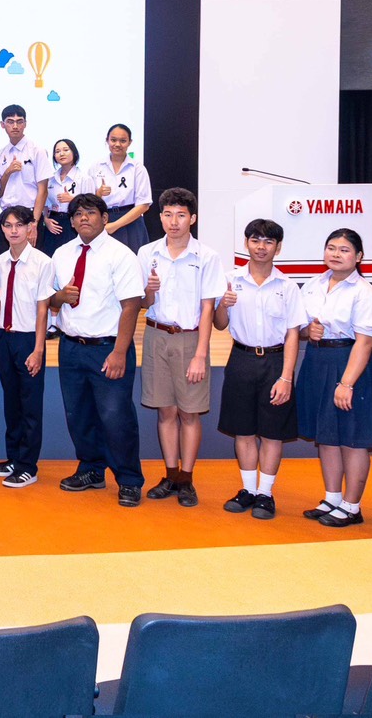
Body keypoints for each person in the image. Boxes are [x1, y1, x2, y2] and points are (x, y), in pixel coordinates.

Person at [47, 193, 147, 506]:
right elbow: (50, 299)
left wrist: (119, 352)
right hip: (70, 346)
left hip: (108, 348)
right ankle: (92, 469)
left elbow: (131, 305)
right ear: (71, 221)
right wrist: (59, 297)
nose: (83, 218)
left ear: (104, 218)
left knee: (116, 417)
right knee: (79, 414)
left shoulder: (121, 255)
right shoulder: (62, 254)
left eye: (90, 213)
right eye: (77, 214)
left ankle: (129, 479)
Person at [136, 188, 224, 508]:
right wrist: (149, 291)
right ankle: (171, 475)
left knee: (189, 412)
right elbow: (144, 303)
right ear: (160, 217)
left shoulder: (207, 257)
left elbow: (208, 309)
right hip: (156, 335)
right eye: (168, 214)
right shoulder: (147, 253)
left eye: (181, 215)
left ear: (192, 218)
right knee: (165, 411)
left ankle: (186, 478)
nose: (174, 222)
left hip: (190, 339)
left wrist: (200, 354)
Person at [294, 228, 372, 528]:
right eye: (331, 248)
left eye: (344, 250)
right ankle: (332, 498)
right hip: (317, 362)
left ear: (359, 257)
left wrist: (347, 383)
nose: (336, 254)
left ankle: (352, 505)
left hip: (350, 364)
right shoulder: (313, 284)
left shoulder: (365, 293)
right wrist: (309, 331)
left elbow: (365, 342)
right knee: (327, 436)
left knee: (352, 439)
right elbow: (301, 327)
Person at [213, 218, 304, 520]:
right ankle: (248, 490)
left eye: (268, 241)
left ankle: (266, 493)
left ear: (278, 247)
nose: (261, 247)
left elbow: (293, 334)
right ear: (246, 244)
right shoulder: (230, 280)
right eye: (255, 240)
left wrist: (286, 377)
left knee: (272, 432)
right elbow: (219, 324)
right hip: (240, 358)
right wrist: (223, 305)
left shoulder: (288, 287)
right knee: (244, 430)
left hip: (276, 362)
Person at [0, 206, 55, 488]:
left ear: (30, 228)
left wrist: (38, 350)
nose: (13, 230)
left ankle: (28, 466)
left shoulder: (42, 262)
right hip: (4, 337)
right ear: (2, 229)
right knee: (11, 402)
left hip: (28, 339)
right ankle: (14, 457)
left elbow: (43, 309)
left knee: (30, 405)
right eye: (8, 225)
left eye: (19, 225)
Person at [0, 104, 53, 252]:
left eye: (19, 121)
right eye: (10, 121)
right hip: (6, 215)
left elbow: (43, 190)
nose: (15, 126)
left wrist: (34, 222)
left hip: (29, 215)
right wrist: (8, 172)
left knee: (32, 261)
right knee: (4, 260)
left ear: (25, 124)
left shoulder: (37, 151)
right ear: (2, 125)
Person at [90, 124, 151, 252]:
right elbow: (88, 201)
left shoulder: (137, 168)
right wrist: (98, 194)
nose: (117, 144)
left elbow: (144, 205)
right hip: (104, 221)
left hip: (131, 222)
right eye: (113, 140)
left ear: (130, 142)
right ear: (107, 140)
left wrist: (115, 225)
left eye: (123, 141)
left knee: (133, 260)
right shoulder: (96, 167)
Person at [39, 138, 89, 257]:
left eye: (66, 150)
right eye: (57, 151)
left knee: (72, 258)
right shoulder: (51, 179)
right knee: (50, 257)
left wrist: (73, 200)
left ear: (74, 153)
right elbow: (45, 204)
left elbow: (91, 206)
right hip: (53, 223)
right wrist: (46, 220)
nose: (61, 154)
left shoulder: (84, 178)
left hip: (73, 223)